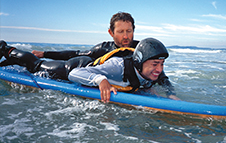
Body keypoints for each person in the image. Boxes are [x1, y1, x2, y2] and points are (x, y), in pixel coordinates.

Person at [0, 38, 180, 102]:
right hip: (73, 67)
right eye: (155, 64)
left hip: (89, 67)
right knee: (35, 65)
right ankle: (6, 49)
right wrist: (101, 81)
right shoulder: (117, 67)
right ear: (140, 62)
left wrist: (167, 94)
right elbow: (73, 75)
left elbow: (159, 81)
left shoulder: (149, 72)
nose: (159, 69)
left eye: (161, 64)